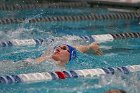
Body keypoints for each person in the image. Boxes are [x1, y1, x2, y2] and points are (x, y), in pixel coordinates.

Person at [25, 42, 102, 67]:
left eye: (64, 49)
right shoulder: (45, 59)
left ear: (70, 56)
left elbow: (77, 50)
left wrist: (91, 47)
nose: (58, 48)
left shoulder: (61, 69)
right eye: (58, 47)